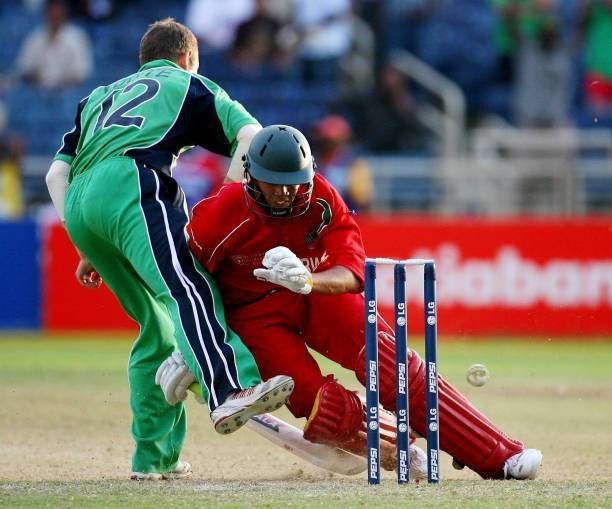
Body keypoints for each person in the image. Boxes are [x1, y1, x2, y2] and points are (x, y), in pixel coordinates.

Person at [156, 124, 543, 480]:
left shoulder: (321, 199)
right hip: (254, 315)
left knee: (390, 364)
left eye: (294, 183)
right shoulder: (220, 214)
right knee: (320, 407)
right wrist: (193, 348)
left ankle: (499, 456)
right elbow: (184, 280)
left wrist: (308, 280)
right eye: (274, 183)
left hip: (316, 295)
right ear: (251, 175)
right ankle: (400, 449)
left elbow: (353, 271)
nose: (285, 192)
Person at [44, 18, 294, 481]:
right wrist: (227, 203)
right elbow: (251, 136)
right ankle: (229, 388)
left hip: (81, 204)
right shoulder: (187, 83)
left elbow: (54, 175)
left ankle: (154, 460)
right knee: (187, 290)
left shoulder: (97, 96)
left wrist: (83, 242)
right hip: (132, 184)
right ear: (187, 58)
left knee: (156, 329)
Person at [15, 0, 93, 88]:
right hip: (39, 90)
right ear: (45, 13)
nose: (55, 14)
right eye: (52, 10)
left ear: (64, 13)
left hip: (68, 91)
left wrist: (59, 85)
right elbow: (24, 68)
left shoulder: (77, 37)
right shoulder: (35, 37)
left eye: (58, 11)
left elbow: (82, 74)